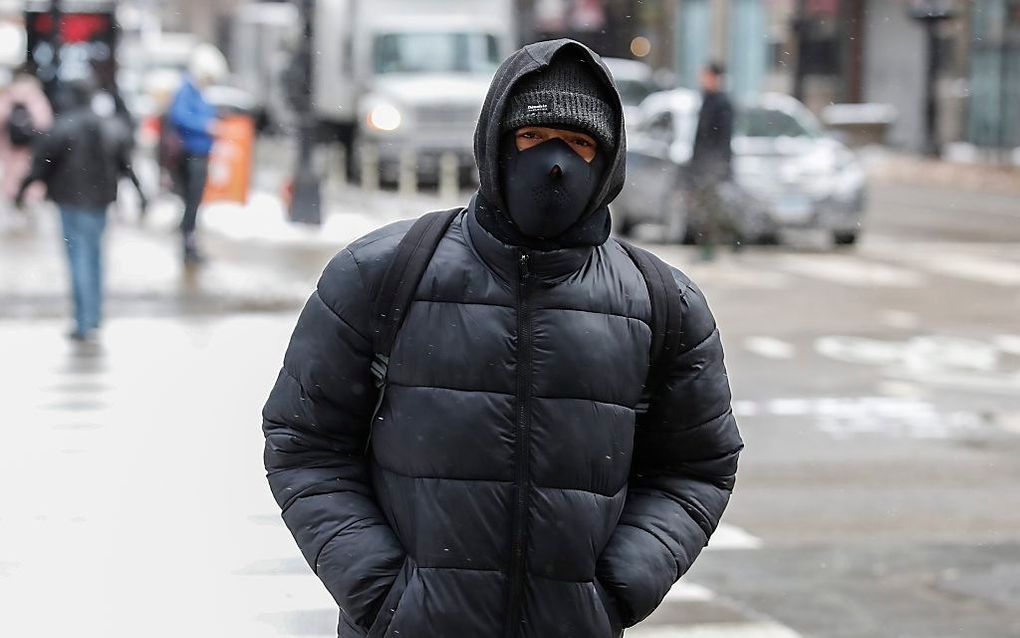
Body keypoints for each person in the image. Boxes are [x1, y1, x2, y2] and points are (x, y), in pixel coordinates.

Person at [262, 40, 742, 638]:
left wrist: (617, 588)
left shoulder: (662, 304)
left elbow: (699, 465)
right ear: (496, 143)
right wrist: (383, 592)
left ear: (608, 161)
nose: (557, 163)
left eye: (580, 143)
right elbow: (304, 442)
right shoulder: (383, 274)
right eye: (533, 138)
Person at [16, 79, 146, 341]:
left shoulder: (63, 125)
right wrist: (141, 193)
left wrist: (23, 189)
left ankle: (84, 320)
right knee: (94, 257)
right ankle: (93, 315)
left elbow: (42, 163)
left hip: (71, 202)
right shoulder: (107, 125)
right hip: (99, 202)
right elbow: (126, 163)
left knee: (79, 259)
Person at [168, 44, 226, 264]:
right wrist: (206, 126)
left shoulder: (195, 91)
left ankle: (190, 242)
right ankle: (188, 245)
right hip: (192, 155)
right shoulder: (187, 90)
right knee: (191, 202)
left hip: (198, 153)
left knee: (193, 202)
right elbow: (179, 116)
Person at [689, 61, 736, 260]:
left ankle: (709, 247)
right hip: (703, 163)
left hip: (713, 165)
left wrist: (718, 165)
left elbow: (722, 139)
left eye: (706, 75)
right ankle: (733, 236)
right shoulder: (707, 100)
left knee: (709, 208)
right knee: (707, 207)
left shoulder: (722, 103)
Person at [0, 67, 53, 216]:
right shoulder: (36, 97)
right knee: (30, 179)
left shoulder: (8, 96)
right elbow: (45, 123)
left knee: (10, 179)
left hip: (9, 150)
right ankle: (28, 208)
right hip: (31, 151)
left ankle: (13, 210)